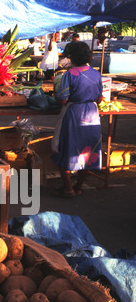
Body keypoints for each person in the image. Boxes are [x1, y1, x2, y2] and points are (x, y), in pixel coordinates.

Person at [51, 41, 103, 197]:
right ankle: (79, 187)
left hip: (74, 114)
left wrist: (55, 94)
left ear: (72, 57)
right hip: (92, 114)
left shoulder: (69, 74)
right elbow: (100, 98)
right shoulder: (96, 73)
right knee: (87, 150)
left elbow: (63, 100)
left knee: (65, 148)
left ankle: (68, 188)